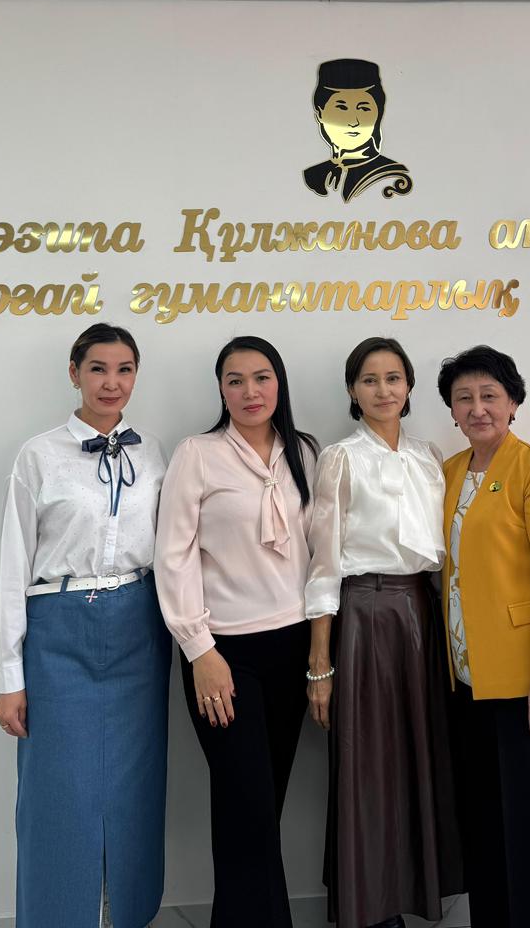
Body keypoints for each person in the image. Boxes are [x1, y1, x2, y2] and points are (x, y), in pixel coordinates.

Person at [0, 323, 171, 928]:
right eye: (98, 368)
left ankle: (124, 915)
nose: (111, 382)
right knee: (58, 791)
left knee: (134, 787)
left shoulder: (153, 453)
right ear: (74, 373)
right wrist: (10, 675)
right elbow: (13, 566)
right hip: (59, 630)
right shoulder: (38, 455)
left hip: (140, 630)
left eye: (124, 369)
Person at [155, 336, 318, 928]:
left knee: (261, 809)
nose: (250, 391)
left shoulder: (305, 452)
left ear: (280, 383)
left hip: (293, 647)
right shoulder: (197, 454)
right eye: (235, 380)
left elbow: (321, 553)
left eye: (262, 377)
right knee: (245, 804)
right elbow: (173, 556)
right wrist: (199, 649)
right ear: (221, 390)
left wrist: (320, 654)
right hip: (224, 655)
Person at [305, 337, 462, 928]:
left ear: (409, 386)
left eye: (393, 378)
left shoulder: (429, 456)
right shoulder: (341, 459)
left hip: (422, 613)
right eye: (369, 380)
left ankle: (414, 892)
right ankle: (369, 908)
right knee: (368, 764)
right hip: (365, 615)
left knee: (421, 755)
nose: (383, 390)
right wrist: (320, 665)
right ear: (352, 390)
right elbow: (323, 563)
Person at [437, 346, 530, 928]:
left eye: (489, 396)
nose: (477, 408)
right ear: (451, 410)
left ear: (513, 403)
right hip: (468, 680)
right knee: (485, 826)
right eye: (464, 398)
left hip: (527, 681)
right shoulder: (450, 471)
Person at [302, 57, 413, 202]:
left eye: (364, 109)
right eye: (341, 108)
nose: (353, 122)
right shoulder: (313, 174)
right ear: (320, 114)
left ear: (378, 114)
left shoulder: (390, 178)